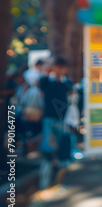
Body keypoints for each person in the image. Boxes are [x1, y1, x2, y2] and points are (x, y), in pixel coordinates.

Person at [38, 57, 75, 189]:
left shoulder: (67, 83)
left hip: (61, 119)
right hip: (48, 117)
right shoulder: (46, 81)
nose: (59, 70)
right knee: (47, 145)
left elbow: (72, 96)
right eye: (57, 67)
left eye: (61, 67)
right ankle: (46, 177)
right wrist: (47, 70)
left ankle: (60, 177)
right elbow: (40, 85)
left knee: (62, 145)